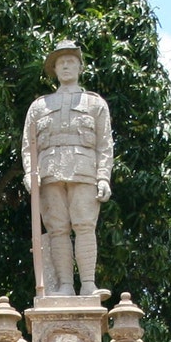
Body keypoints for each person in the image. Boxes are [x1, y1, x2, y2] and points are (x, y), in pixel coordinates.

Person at [21, 41, 113, 297]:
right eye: (61, 63)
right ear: (54, 69)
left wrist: (104, 177)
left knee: (84, 226)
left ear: (80, 67)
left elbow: (104, 144)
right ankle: (64, 286)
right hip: (49, 173)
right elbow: (29, 146)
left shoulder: (96, 104)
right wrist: (30, 172)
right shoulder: (39, 106)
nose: (66, 66)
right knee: (57, 229)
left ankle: (87, 284)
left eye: (71, 61)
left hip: (85, 172)